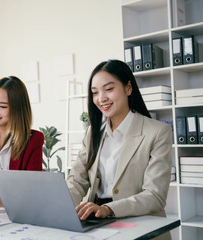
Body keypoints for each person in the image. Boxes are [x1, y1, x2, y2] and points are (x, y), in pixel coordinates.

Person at [66, 60, 172, 238]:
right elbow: (77, 181)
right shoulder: (92, 133)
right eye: (95, 92)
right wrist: (55, 208)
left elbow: (155, 195)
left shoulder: (158, 131)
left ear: (128, 88)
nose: (101, 98)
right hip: (98, 224)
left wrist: (108, 209)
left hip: (140, 224)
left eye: (109, 89)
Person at [0, 76, 44, 208]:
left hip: (18, 212)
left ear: (17, 109)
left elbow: (34, 190)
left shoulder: (34, 140)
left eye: (3, 106)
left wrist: (7, 199)